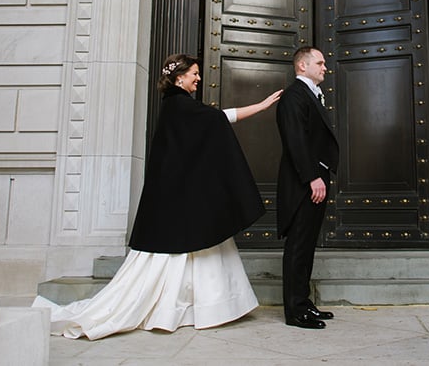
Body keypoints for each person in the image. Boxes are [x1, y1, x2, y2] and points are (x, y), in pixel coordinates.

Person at [34, 53, 281, 339]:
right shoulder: (180, 106)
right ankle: (190, 308)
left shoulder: (176, 106)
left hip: (173, 198)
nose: (198, 79)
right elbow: (219, 119)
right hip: (176, 202)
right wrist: (261, 106)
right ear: (180, 78)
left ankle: (196, 308)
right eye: (194, 74)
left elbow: (208, 128)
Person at [275, 46, 340, 329]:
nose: (325, 67)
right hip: (303, 183)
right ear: (302, 66)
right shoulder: (293, 96)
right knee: (299, 246)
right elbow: (295, 140)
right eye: (320, 63)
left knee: (307, 246)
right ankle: (295, 311)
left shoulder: (310, 94)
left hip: (314, 179)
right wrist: (313, 177)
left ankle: (303, 303)